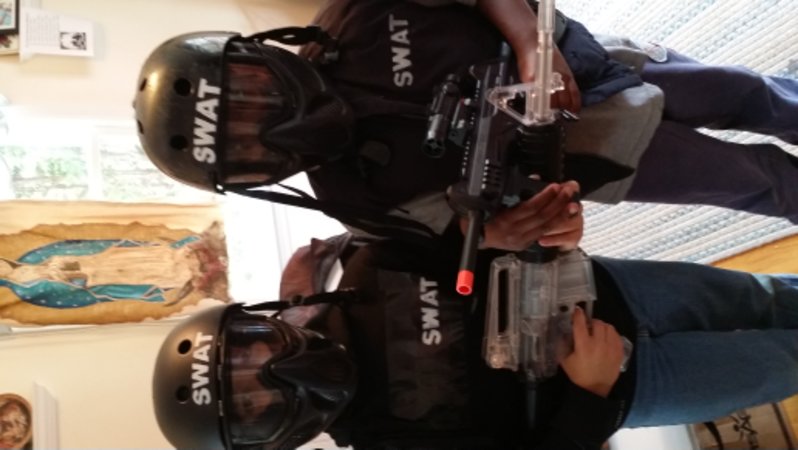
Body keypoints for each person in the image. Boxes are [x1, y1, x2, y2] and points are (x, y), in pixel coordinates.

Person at [151, 181, 798, 450]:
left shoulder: (371, 269)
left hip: (619, 290)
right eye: (256, 401)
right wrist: (592, 391)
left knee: (763, 295)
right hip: (635, 384)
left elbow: (476, 233)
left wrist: (539, 229)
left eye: (254, 354)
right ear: (268, 439)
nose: (281, 372)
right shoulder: (387, 440)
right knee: (784, 363)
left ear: (261, 322)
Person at [133, 0, 798, 242]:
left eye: (251, 96)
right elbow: (455, 237)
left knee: (750, 95)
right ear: (247, 180)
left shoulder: (358, 17)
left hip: (588, 62)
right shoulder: (351, 201)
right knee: (752, 181)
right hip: (593, 158)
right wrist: (504, 233)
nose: (272, 124)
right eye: (246, 142)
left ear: (255, 56)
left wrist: (532, 43)